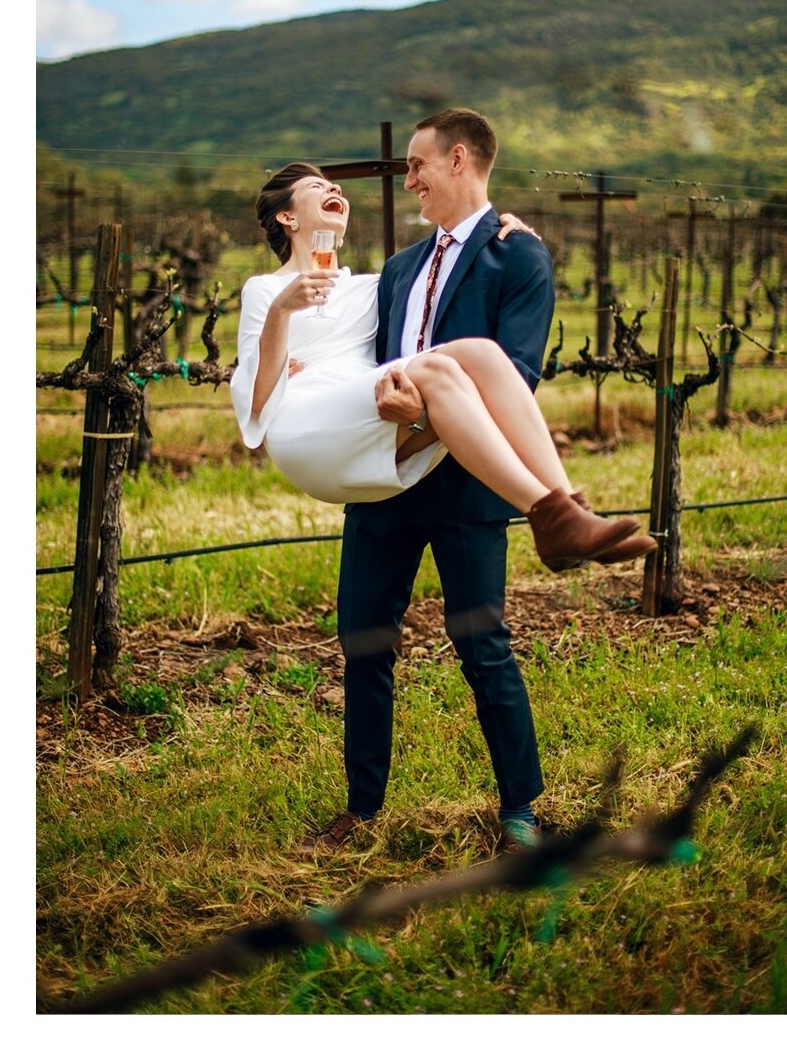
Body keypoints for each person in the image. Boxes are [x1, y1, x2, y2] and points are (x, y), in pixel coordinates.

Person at [230, 111, 655, 854]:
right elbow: (327, 363)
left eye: (418, 165)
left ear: (457, 160)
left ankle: (519, 806)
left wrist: (420, 408)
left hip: (462, 478)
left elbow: (516, 378)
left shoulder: (516, 256)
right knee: (364, 645)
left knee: (483, 644)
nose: (410, 178)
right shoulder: (391, 270)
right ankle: (362, 810)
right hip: (382, 476)